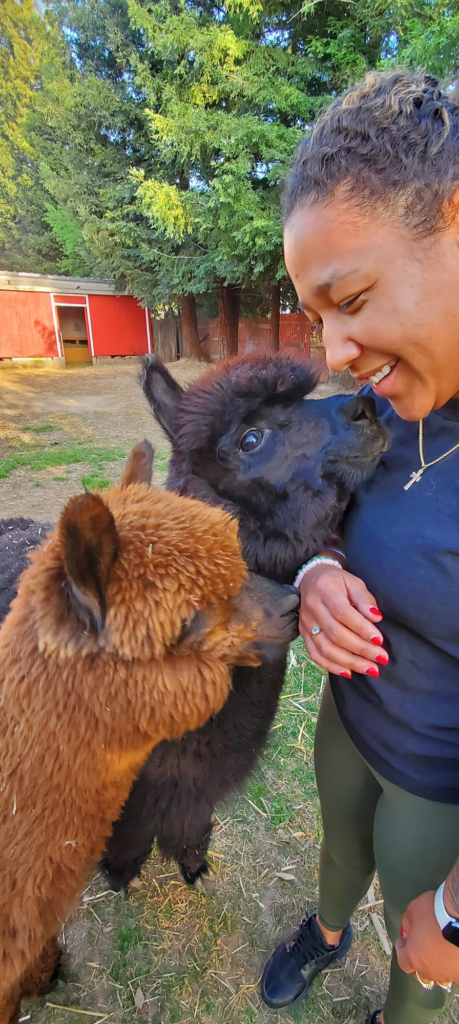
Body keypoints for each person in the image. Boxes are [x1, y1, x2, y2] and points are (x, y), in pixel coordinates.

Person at [259, 70, 459, 1024]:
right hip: (350, 721)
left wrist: (456, 917)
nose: (333, 350)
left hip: (438, 780)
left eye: (352, 297)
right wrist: (315, 568)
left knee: (416, 969)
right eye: (317, 318)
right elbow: (288, 508)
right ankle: (327, 929)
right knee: (341, 856)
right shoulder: (377, 409)